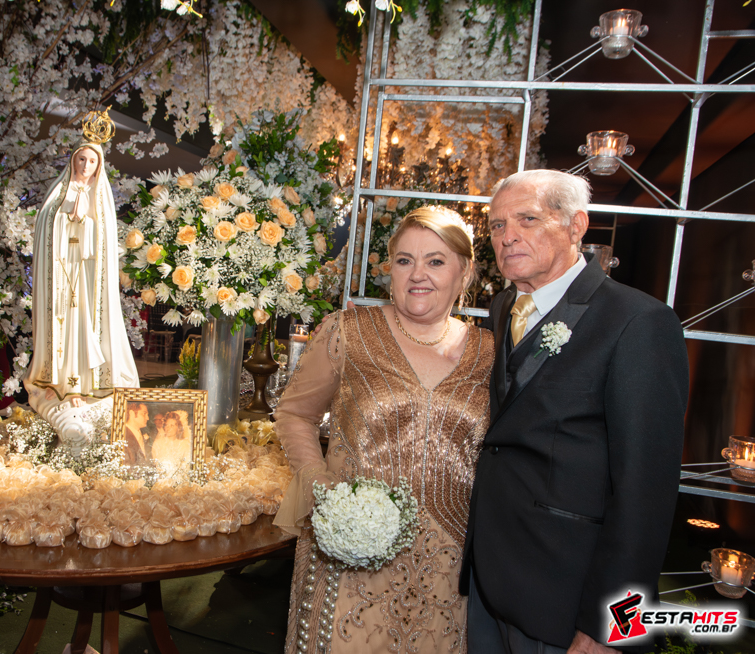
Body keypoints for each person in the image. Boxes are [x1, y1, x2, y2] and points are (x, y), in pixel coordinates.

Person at [459, 170, 689, 653]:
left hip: (566, 598)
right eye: (497, 225)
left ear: (576, 226)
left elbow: (646, 492)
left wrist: (613, 625)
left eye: (527, 219)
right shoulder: (503, 308)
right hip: (490, 581)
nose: (507, 236)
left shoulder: (638, 321)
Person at [274, 206, 495, 654]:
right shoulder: (349, 332)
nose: (418, 274)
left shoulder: (491, 352)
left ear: (465, 272)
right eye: (404, 260)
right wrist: (320, 487)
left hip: (447, 568)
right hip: (350, 557)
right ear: (389, 269)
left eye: (436, 261)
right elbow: (295, 413)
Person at [24, 113, 139, 453]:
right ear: (73, 160)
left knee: (83, 325)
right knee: (63, 325)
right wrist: (66, 217)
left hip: (86, 276)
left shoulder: (99, 197)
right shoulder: (59, 194)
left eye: (92, 161)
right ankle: (60, 382)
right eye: (82, 159)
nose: (86, 166)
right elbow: (47, 226)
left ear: (98, 166)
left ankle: (83, 385)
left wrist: (85, 223)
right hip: (62, 272)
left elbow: (103, 239)